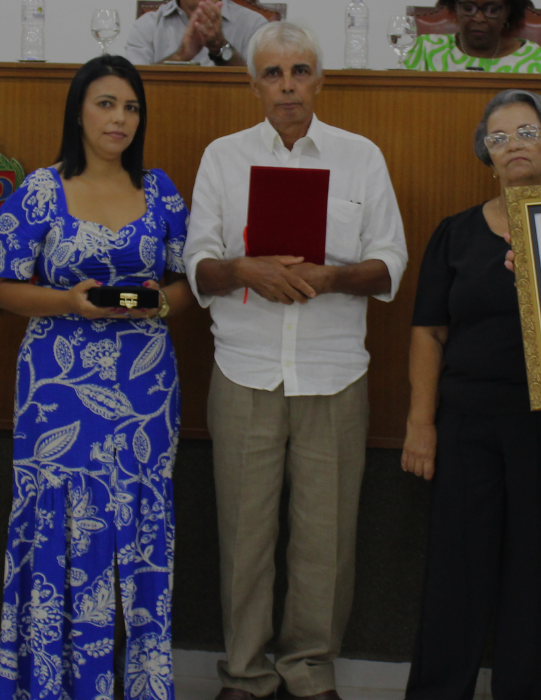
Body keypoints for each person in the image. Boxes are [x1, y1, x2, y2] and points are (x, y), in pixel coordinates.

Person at [183, 21, 409, 700]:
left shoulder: (359, 156)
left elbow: (391, 262)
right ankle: (245, 676)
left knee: (325, 541)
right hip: (245, 369)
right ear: (253, 83)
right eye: (274, 74)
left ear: (320, 79)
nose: (288, 86)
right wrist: (242, 267)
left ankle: (309, 674)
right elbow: (195, 263)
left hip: (335, 371)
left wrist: (331, 278)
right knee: (243, 540)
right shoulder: (222, 157)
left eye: (300, 71)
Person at [0, 55, 193, 700]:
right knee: (62, 529)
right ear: (79, 111)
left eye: (131, 107)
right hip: (57, 390)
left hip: (144, 388)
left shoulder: (160, 191)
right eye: (106, 104)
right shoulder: (41, 192)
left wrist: (162, 303)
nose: (120, 118)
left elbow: (188, 282)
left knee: (137, 529)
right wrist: (66, 303)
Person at [400, 89, 541, 700]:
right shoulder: (455, 234)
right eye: (499, 137)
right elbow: (429, 332)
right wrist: (420, 421)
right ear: (486, 158)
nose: (513, 144)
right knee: (455, 578)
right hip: (464, 425)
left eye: (526, 132)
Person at [401, 0, 541, 74]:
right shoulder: (426, 50)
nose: (479, 18)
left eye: (491, 9)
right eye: (468, 8)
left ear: (507, 11)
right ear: (455, 8)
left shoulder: (532, 59)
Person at [120, 0, 269, 68]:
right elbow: (132, 88)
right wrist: (180, 56)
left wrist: (220, 47)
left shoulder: (253, 24)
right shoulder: (147, 26)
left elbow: (261, 86)